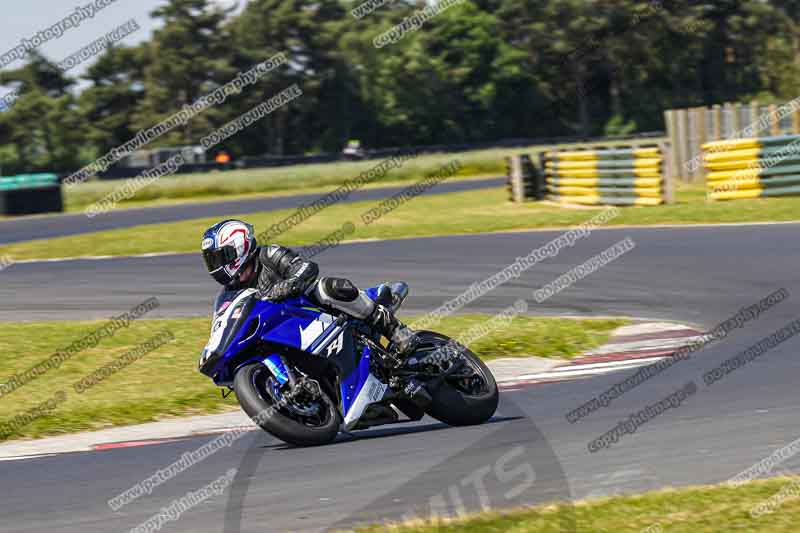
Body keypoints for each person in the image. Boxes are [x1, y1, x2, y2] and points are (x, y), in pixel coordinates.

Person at [201, 219, 419, 358]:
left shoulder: (268, 255)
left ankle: (394, 329)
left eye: (220, 257)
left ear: (239, 248)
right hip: (285, 329)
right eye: (211, 260)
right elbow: (223, 325)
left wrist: (287, 287)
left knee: (328, 288)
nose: (216, 265)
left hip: (313, 309)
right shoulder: (228, 294)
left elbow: (306, 267)